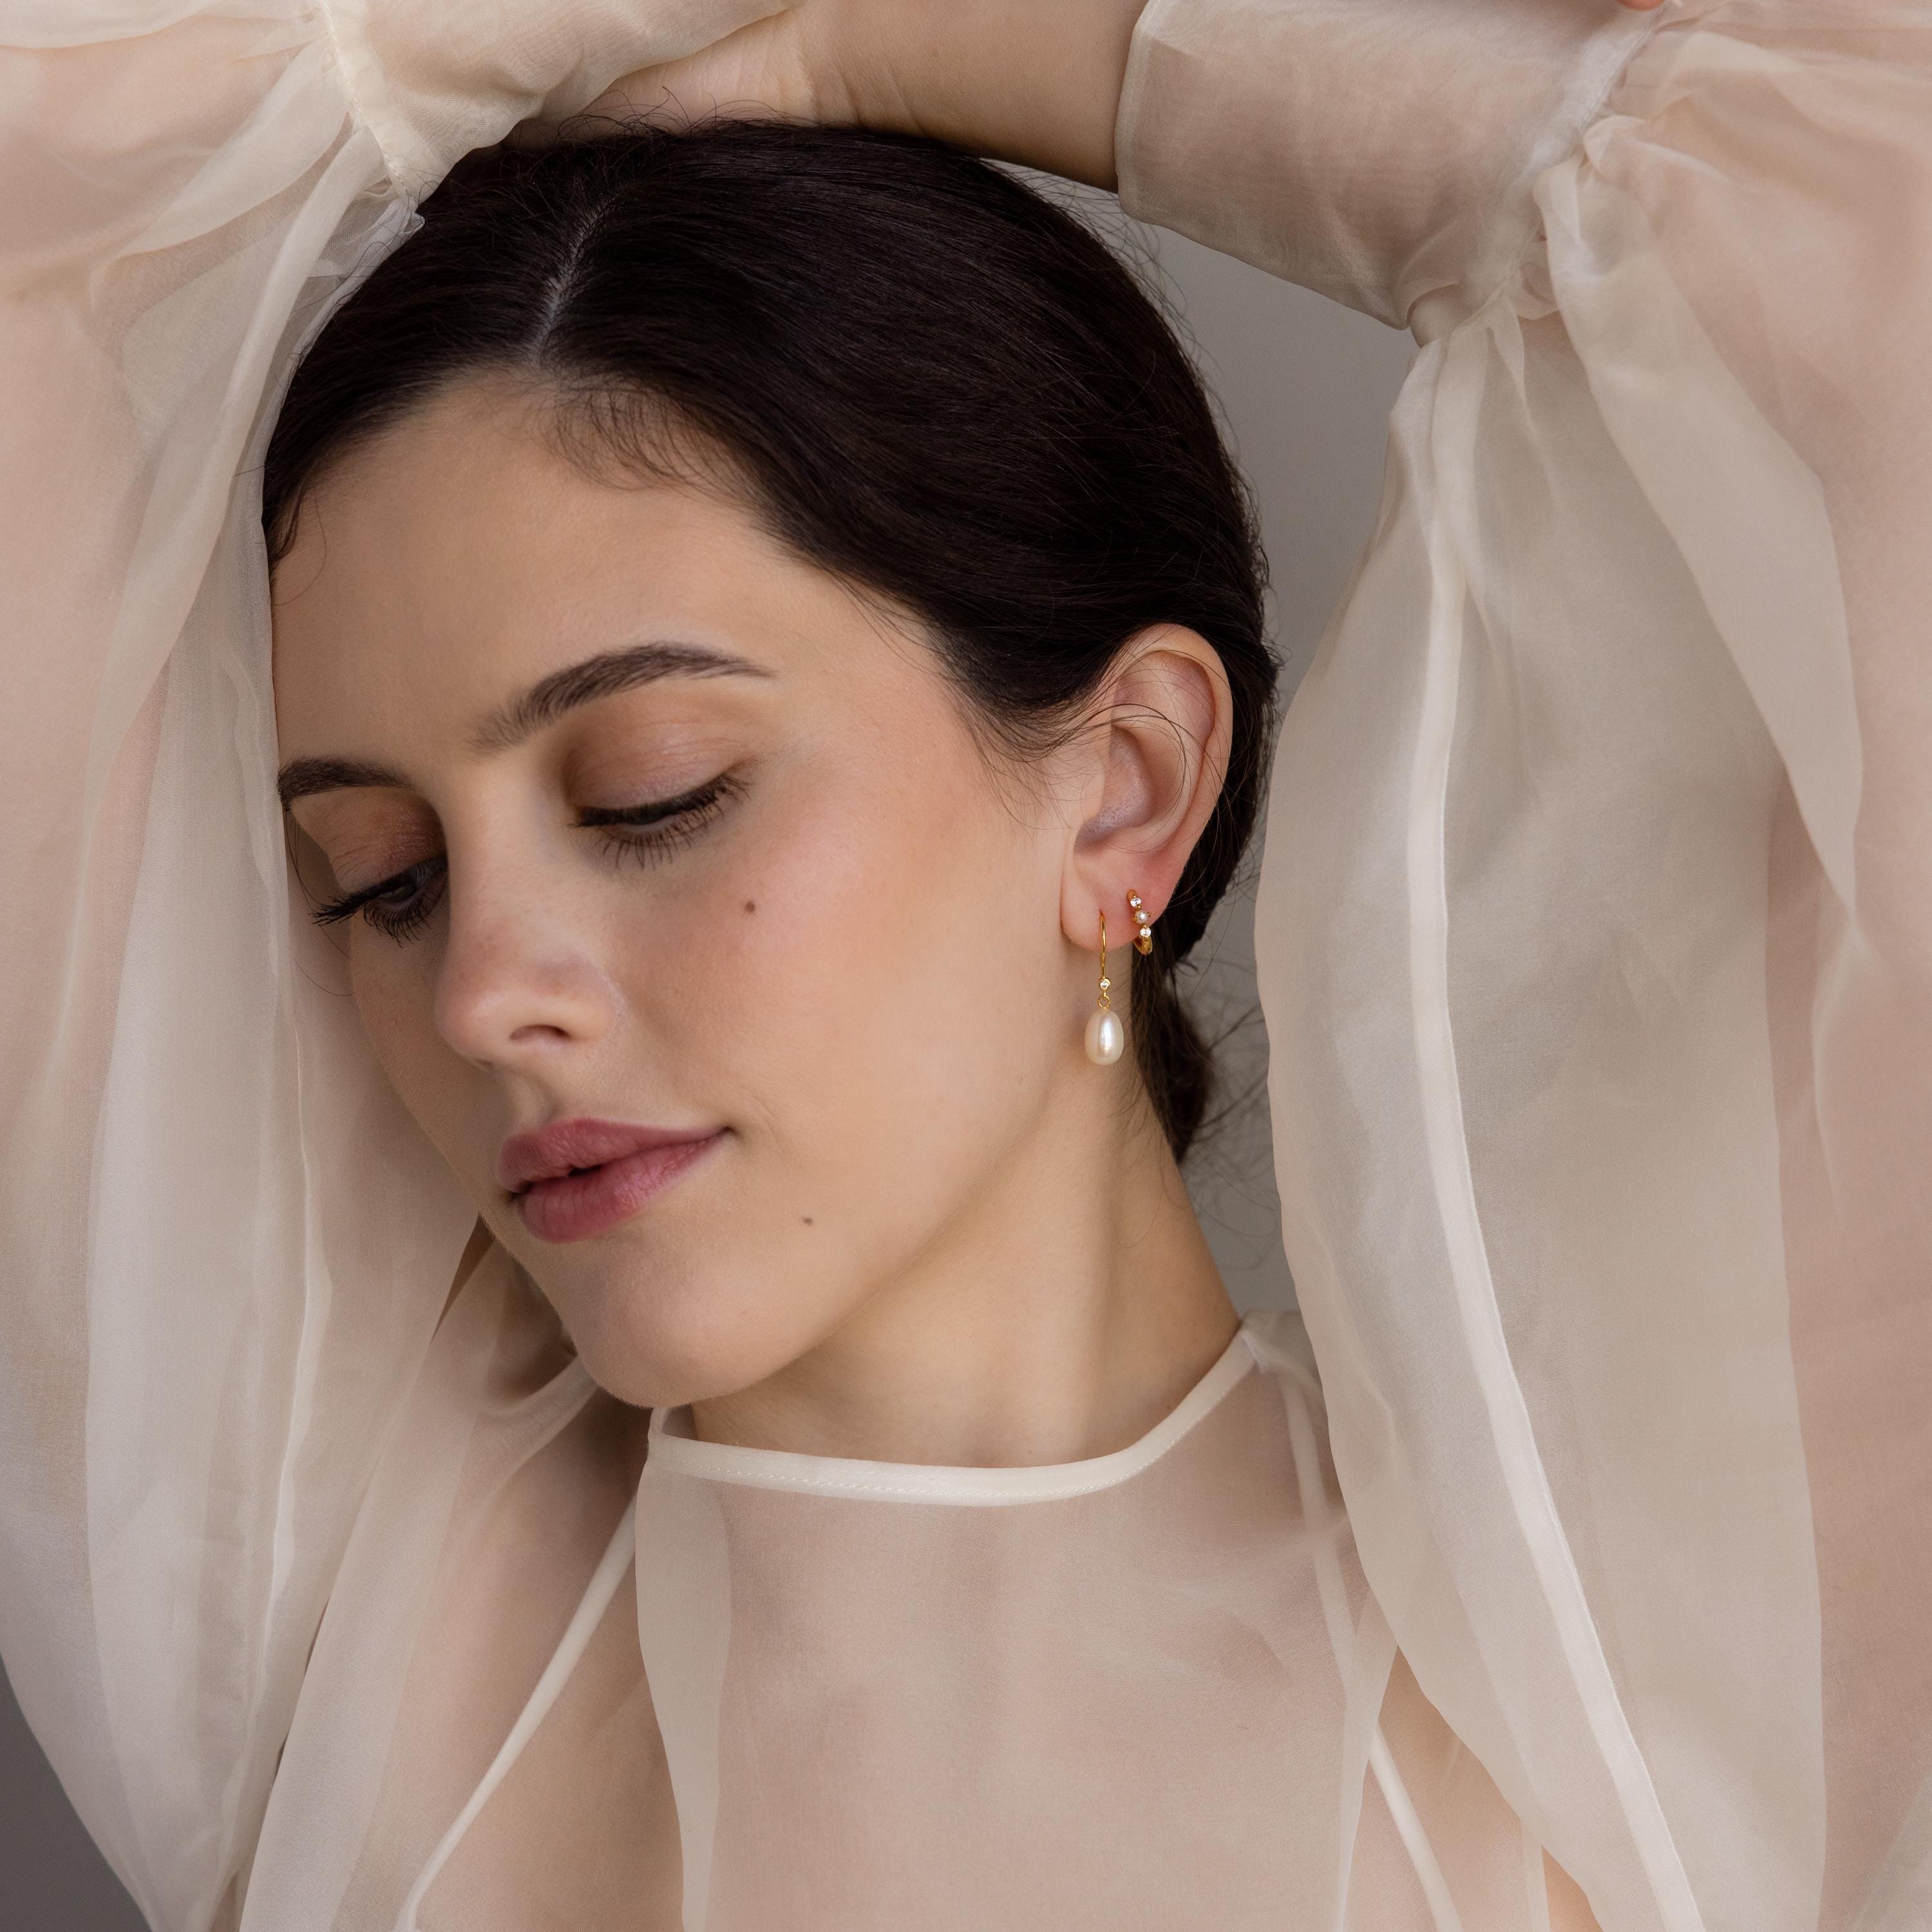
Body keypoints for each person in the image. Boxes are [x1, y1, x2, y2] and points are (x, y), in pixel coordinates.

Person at [1, 2, 1925, 1929]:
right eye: (381, 878)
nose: (483, 992)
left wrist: (879, 40)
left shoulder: (1615, 1684)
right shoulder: (325, 1591)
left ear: (1124, 794)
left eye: (655, 794)